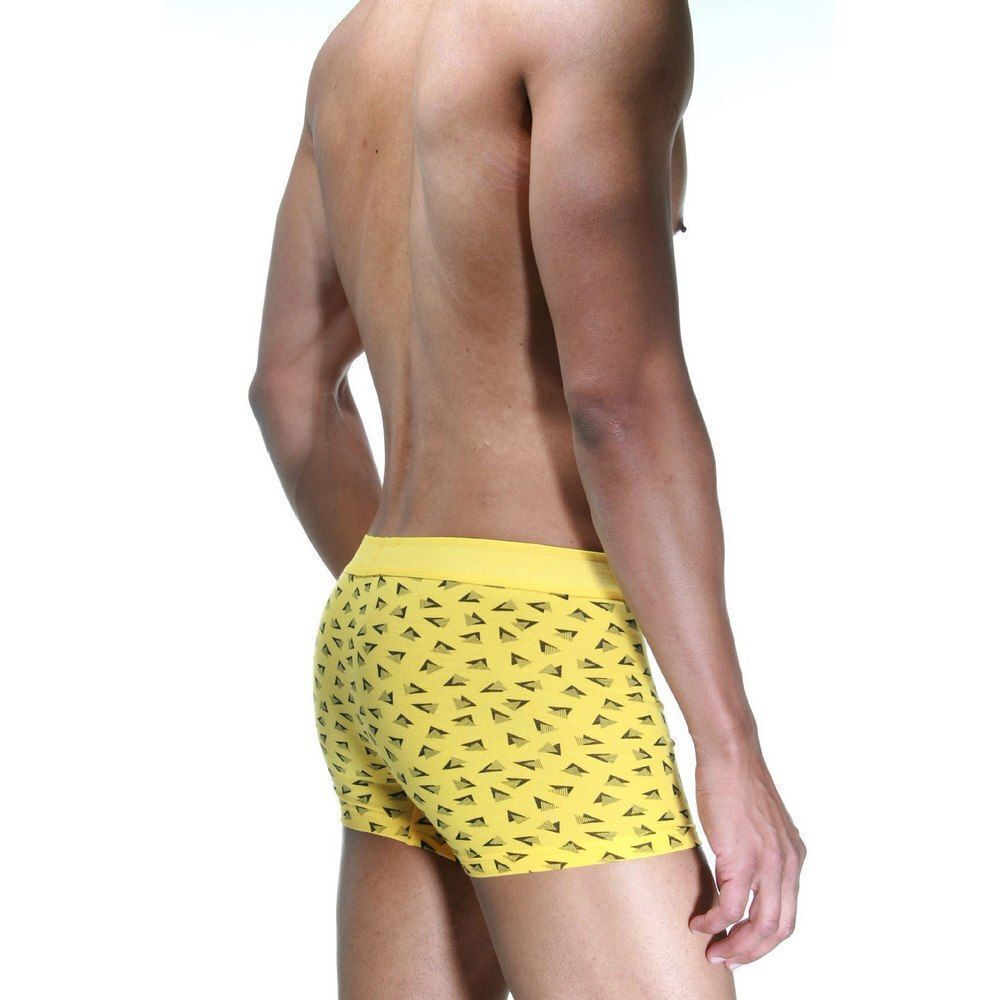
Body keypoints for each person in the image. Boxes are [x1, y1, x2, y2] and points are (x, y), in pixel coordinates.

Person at [250, 1, 804, 996]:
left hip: (377, 625)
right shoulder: (600, 13)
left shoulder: (357, 44)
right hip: (532, 642)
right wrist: (731, 750)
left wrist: (432, 629)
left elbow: (288, 391)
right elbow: (619, 402)